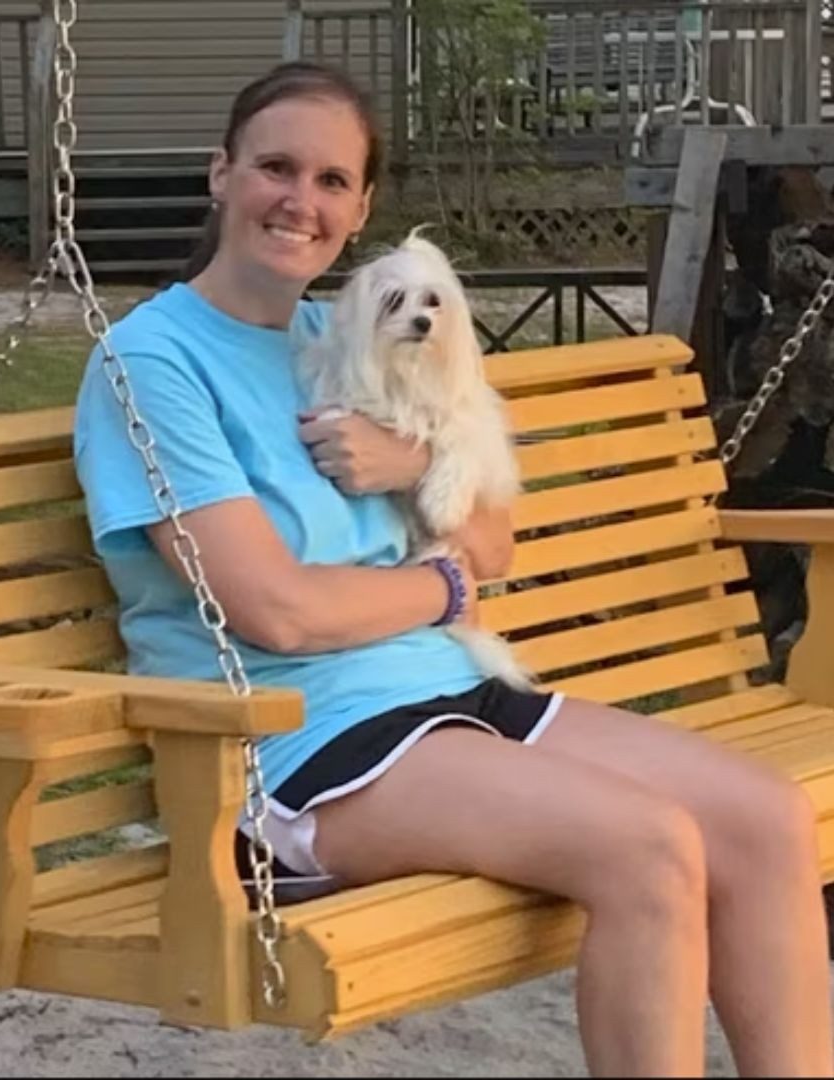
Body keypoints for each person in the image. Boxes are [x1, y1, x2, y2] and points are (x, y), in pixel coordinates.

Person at [74, 61, 833, 1077]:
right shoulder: (153, 362)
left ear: (362, 207)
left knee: (766, 820)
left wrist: (419, 465)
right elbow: (275, 611)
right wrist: (443, 591)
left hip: (448, 695)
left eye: (333, 181)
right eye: (276, 168)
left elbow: (492, 539)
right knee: (648, 849)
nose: (300, 201)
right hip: (291, 747)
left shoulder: (343, 334)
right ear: (221, 175)